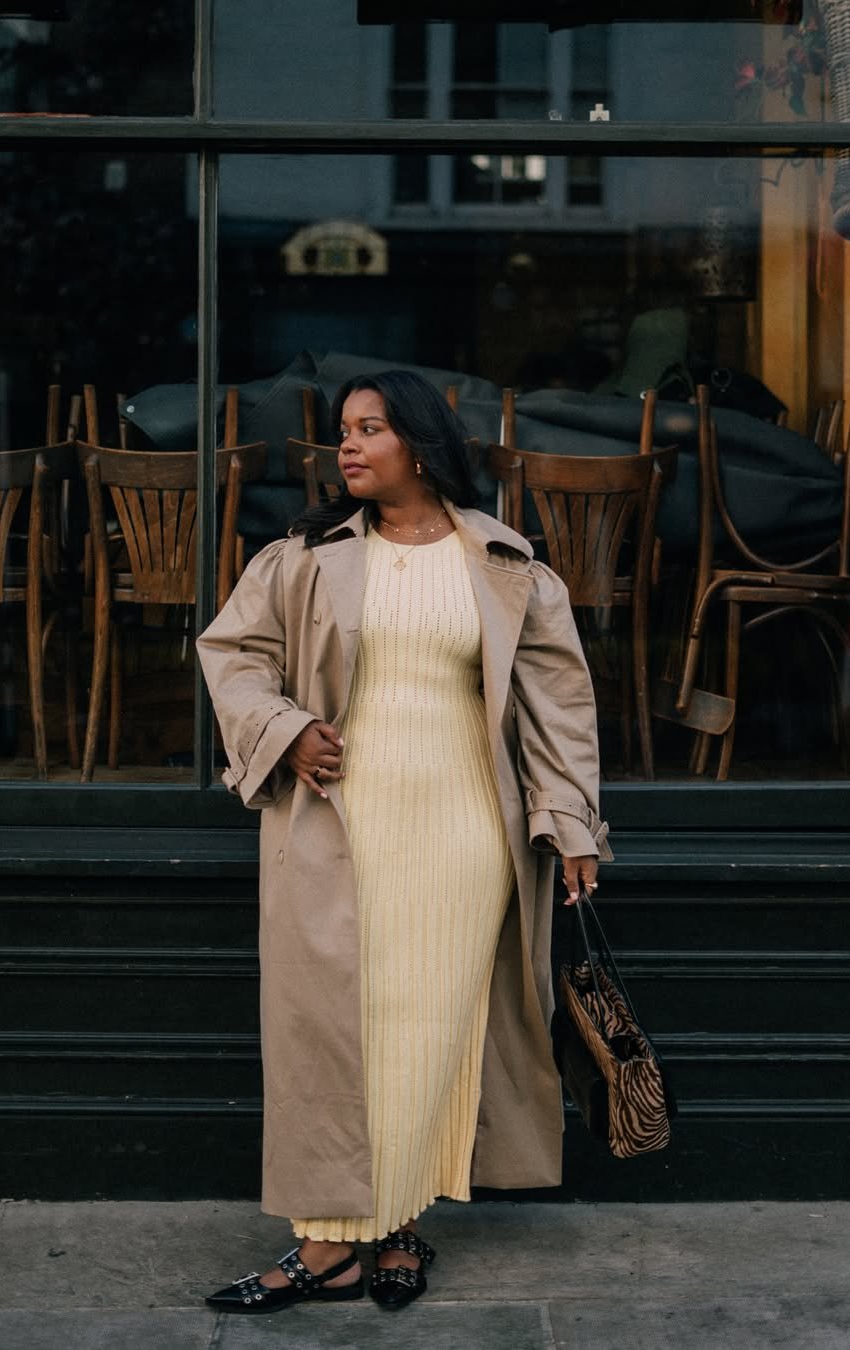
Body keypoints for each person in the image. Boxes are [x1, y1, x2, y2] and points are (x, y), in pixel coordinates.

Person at [196, 369, 611, 1314]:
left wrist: (573, 823)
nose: (347, 446)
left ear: (419, 445)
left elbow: (558, 708)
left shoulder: (505, 562)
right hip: (342, 827)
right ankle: (328, 1239)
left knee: (432, 1034)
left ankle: (393, 1227)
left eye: (370, 429)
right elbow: (232, 656)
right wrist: (287, 729)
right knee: (341, 1034)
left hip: (464, 837)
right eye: (343, 430)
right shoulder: (305, 556)